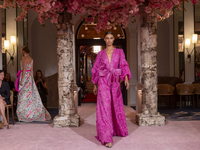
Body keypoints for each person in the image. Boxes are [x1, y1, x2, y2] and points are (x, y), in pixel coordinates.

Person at [92, 31, 131, 148]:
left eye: (111, 38)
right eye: (107, 38)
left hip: (115, 81)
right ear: (104, 40)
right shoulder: (100, 54)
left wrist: (126, 79)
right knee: (105, 108)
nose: (109, 40)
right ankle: (106, 137)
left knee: (116, 105)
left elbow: (124, 64)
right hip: (103, 81)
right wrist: (95, 84)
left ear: (113, 39)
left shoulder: (119, 52)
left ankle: (117, 129)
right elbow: (95, 69)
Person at [15, 46, 51, 122]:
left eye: (21, 50)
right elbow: (31, 71)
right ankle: (33, 113)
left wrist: (22, 80)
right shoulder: (31, 59)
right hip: (30, 78)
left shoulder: (24, 58)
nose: (21, 51)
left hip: (25, 77)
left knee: (23, 95)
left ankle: (24, 115)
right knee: (31, 95)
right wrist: (32, 80)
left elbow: (24, 69)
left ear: (24, 51)